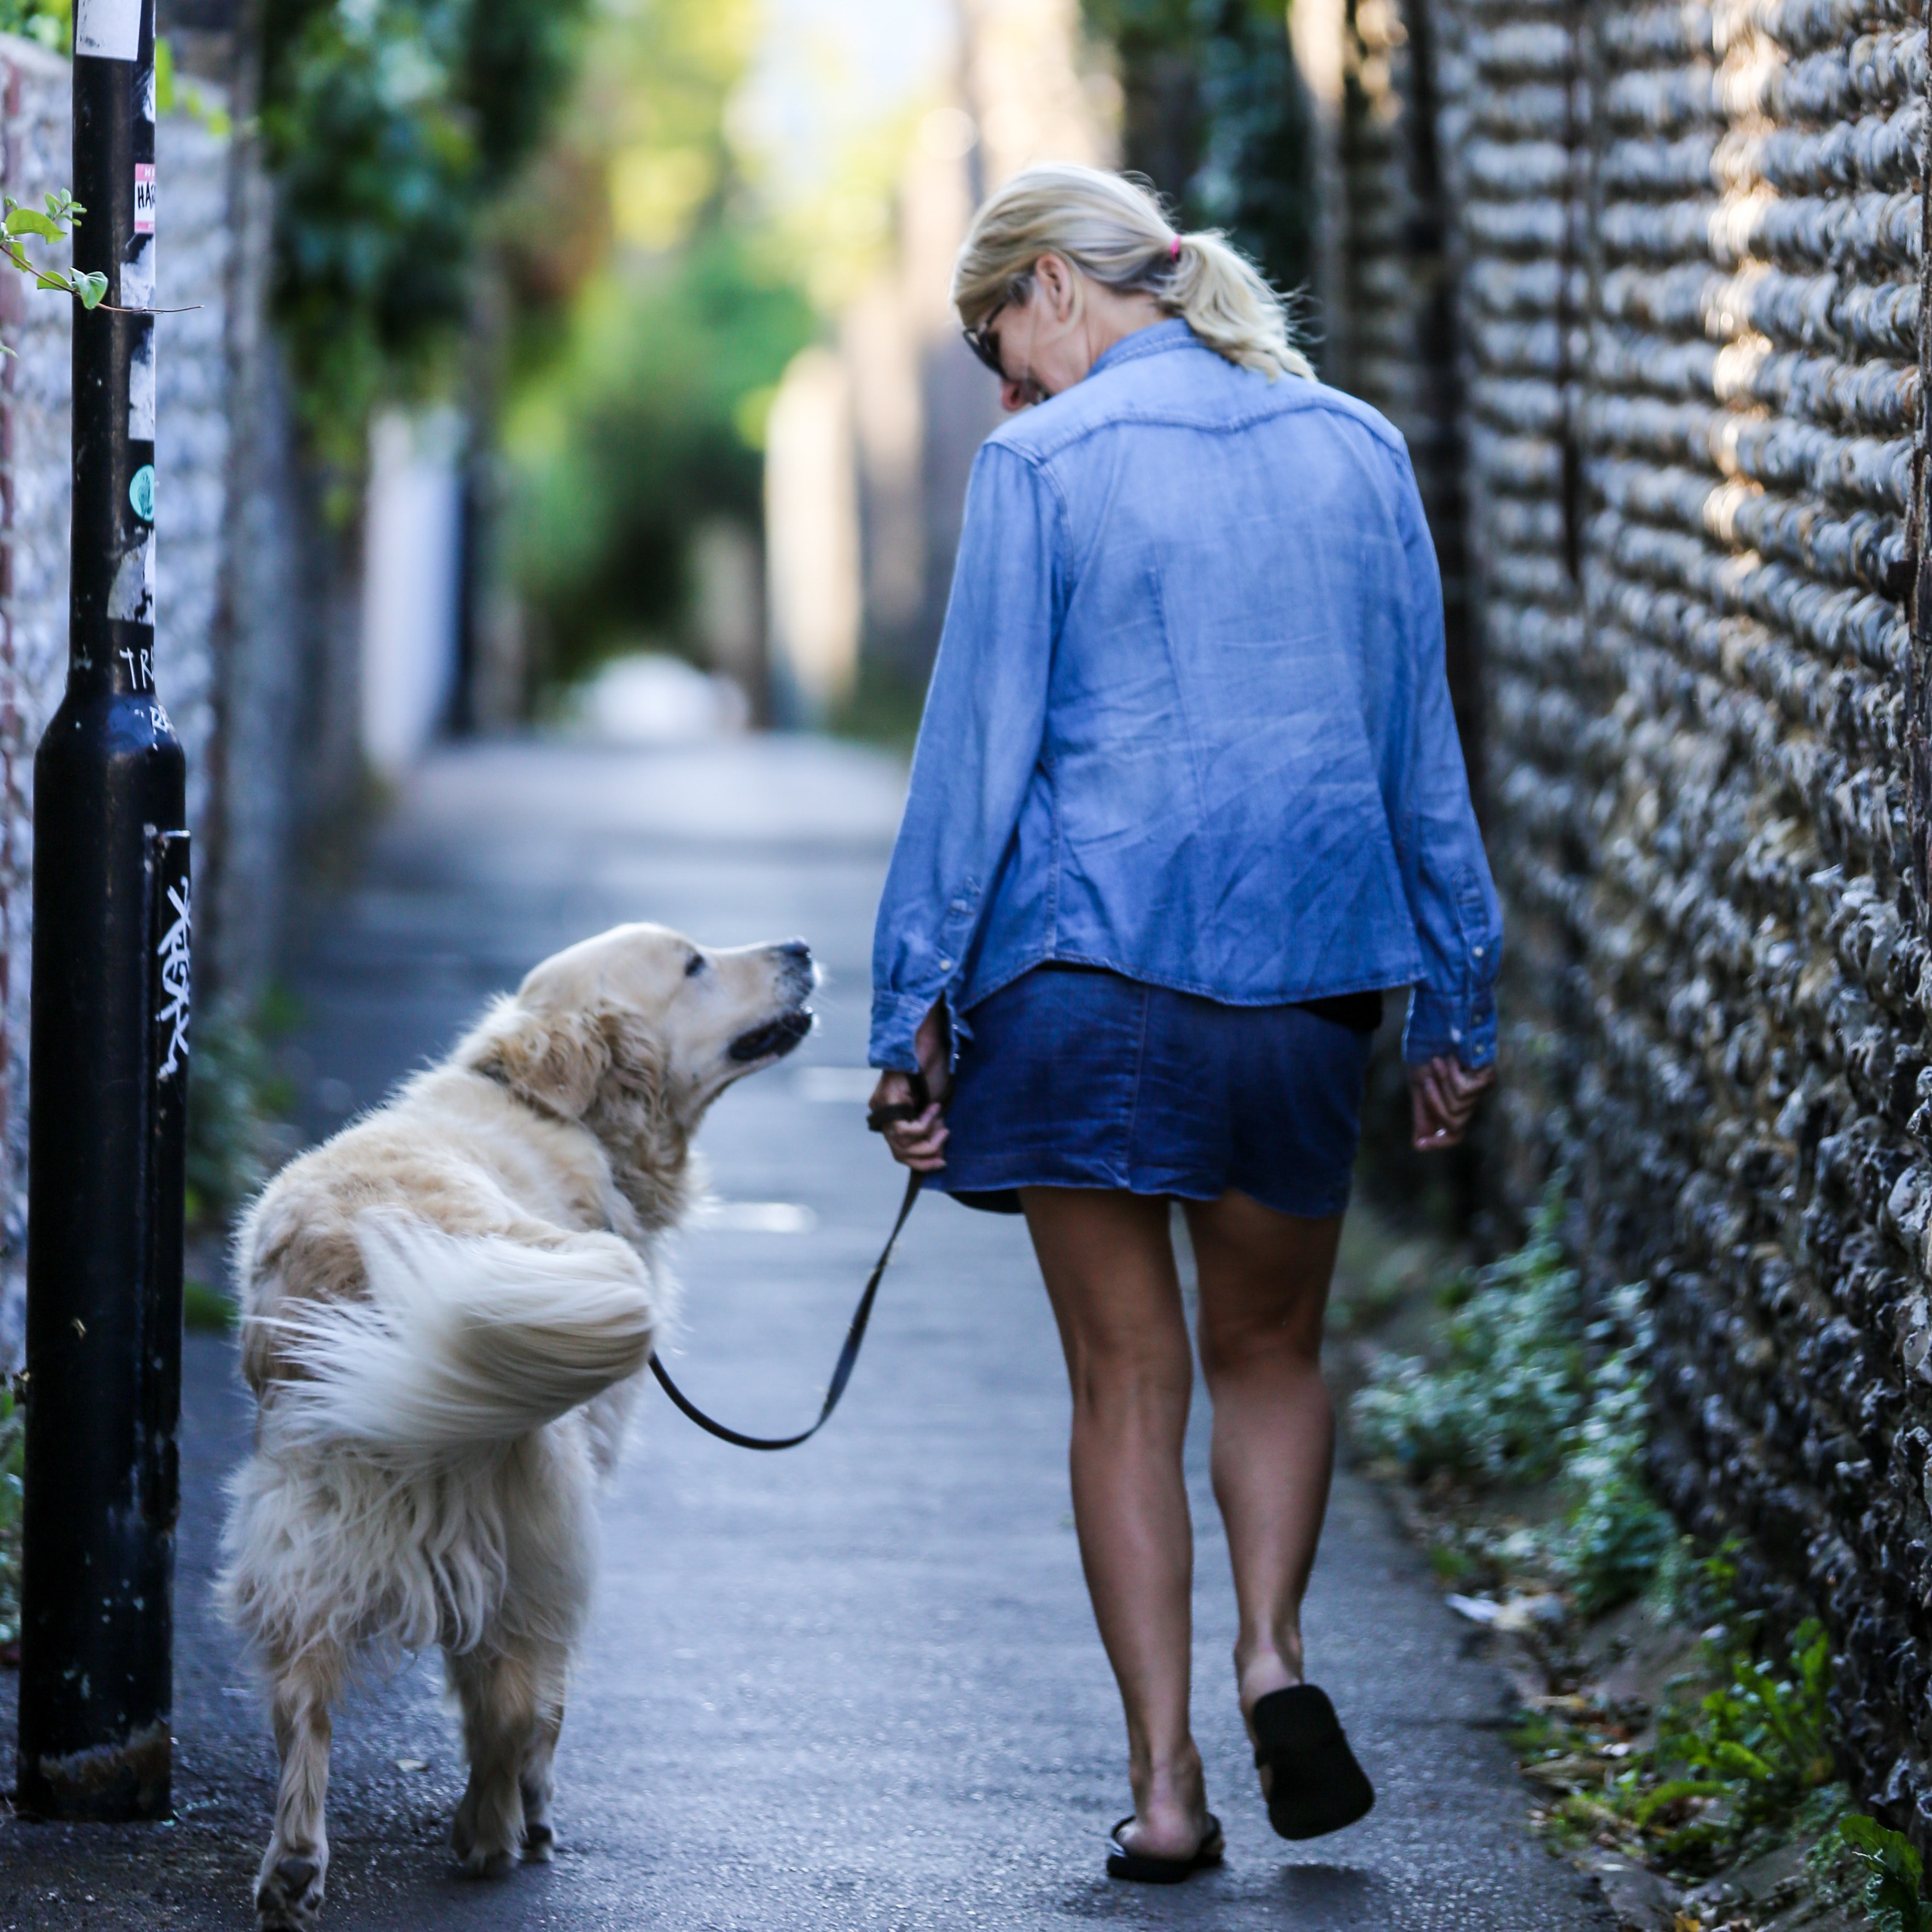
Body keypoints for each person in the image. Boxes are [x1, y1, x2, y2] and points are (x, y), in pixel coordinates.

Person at [867, 162, 1499, 1884]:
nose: (1006, 387)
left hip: (1080, 981)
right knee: (1272, 1353)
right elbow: (1414, 750)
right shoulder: (1354, 448)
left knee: (1122, 1380)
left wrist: (908, 1007)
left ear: (1058, 290)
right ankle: (1273, 1655)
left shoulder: (1041, 467)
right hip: (1304, 987)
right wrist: (1458, 991)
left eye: (1001, 340)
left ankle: (1164, 1788)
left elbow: (975, 758)